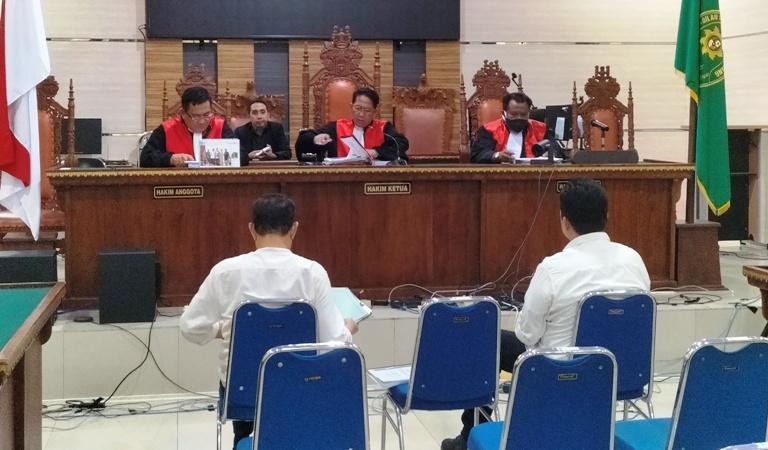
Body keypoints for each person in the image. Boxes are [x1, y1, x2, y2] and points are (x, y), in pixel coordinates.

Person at [441, 178, 651, 450]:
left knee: (488, 340)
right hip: (623, 374)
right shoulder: (633, 259)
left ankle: (470, 435)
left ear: (565, 222)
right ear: (606, 217)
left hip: (561, 374)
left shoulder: (553, 269)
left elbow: (526, 334)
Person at [179, 193, 358, 449]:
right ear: (294, 229)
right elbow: (334, 342)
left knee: (246, 425)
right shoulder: (312, 272)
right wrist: (348, 328)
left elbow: (190, 327)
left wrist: (224, 330)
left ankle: (243, 442)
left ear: (252, 229)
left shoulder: (225, 271)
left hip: (242, 391)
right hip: (298, 387)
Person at [295, 87, 409, 163]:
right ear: (351, 107)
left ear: (374, 112)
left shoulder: (383, 128)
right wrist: (315, 139)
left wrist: (376, 152)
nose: (361, 114)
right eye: (358, 108)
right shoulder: (337, 127)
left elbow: (401, 143)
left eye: (367, 110)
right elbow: (304, 138)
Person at [140, 86, 235, 167]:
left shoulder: (220, 126)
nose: (202, 121)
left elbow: (239, 154)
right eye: (196, 116)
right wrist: (170, 159)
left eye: (206, 114)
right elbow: (145, 158)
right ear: (183, 114)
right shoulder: (167, 129)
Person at [470, 92, 546, 164]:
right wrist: (496, 156)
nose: (519, 118)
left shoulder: (541, 129)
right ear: (504, 113)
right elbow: (477, 155)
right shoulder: (489, 130)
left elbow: (551, 149)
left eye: (523, 114)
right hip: (500, 172)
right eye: (513, 114)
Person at [234, 99, 291, 166]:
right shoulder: (240, 132)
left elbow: (287, 153)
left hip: (272, 169)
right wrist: (248, 156)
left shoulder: (277, 129)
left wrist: (273, 155)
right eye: (255, 113)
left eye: (262, 112)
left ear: (268, 115)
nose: (259, 116)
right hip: (249, 170)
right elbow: (235, 157)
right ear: (249, 116)